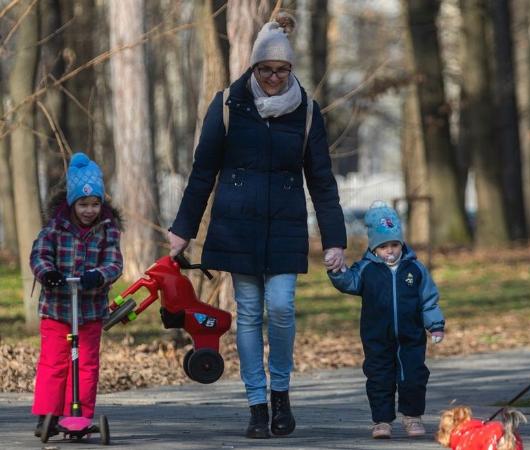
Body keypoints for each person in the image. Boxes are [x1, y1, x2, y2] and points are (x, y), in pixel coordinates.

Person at [166, 12, 346, 439]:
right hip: (237, 226)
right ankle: (257, 405)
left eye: (281, 70)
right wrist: (183, 228)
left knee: (281, 307)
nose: (273, 78)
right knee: (248, 312)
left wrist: (335, 239)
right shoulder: (228, 105)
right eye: (265, 69)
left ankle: (281, 393)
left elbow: (321, 180)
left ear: (291, 70)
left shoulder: (305, 111)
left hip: (285, 225)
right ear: (253, 67)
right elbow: (202, 170)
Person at [328, 201, 445, 439]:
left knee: (413, 376)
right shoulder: (365, 269)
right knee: (379, 377)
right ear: (373, 248)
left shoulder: (415, 269)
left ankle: (412, 417)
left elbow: (428, 299)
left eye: (394, 244)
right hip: (377, 336)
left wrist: (435, 325)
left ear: (401, 243)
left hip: (411, 337)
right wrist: (337, 272)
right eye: (383, 247)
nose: (390, 251)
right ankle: (382, 421)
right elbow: (348, 282)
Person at [29, 152, 123, 438]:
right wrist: (48, 274)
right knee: (54, 362)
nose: (89, 210)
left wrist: (100, 275)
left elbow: (115, 264)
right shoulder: (54, 230)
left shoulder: (107, 231)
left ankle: (79, 417)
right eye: (83, 204)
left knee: (85, 364)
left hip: (90, 311)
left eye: (95, 204)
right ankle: (48, 414)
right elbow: (39, 255)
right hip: (57, 311)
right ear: (72, 203)